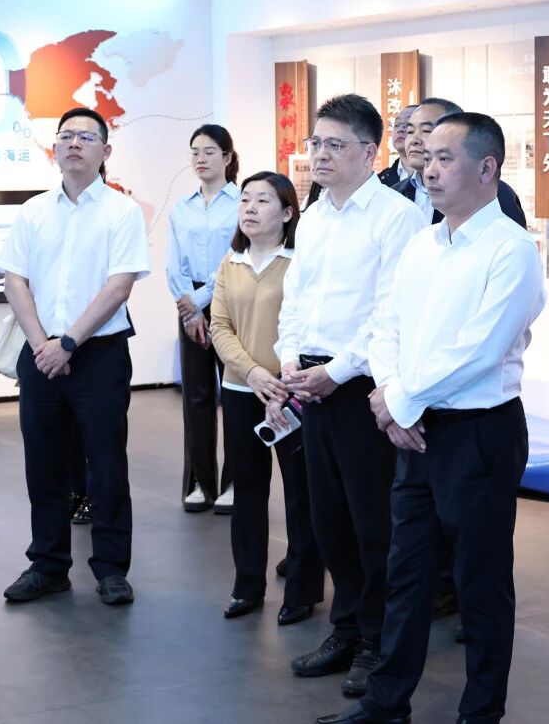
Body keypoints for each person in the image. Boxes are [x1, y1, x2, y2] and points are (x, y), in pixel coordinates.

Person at [317, 112, 545, 724]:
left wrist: (397, 401)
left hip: (478, 432)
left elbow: (479, 351)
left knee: (481, 582)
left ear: (487, 168)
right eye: (427, 157)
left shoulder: (512, 250)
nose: (428, 168)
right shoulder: (423, 243)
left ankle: (481, 711)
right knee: (406, 574)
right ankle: (386, 703)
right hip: (415, 430)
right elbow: (386, 324)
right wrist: (393, 394)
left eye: (445, 158)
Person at [269, 94, 426, 697]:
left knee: (373, 523)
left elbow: (389, 312)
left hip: (363, 384)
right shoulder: (313, 217)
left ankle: (378, 642)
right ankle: (347, 626)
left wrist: (337, 371)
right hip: (310, 382)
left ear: (370, 152)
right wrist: (289, 357)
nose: (321, 155)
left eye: (335, 145)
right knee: (328, 518)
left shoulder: (395, 217)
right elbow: (297, 299)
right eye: (316, 143)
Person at [0, 106, 150, 606]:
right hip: (40, 353)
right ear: (55, 149)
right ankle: (47, 566)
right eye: (66, 136)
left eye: (86, 137)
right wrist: (43, 343)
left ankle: (110, 568)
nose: (74, 144)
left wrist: (68, 343)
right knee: (43, 464)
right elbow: (14, 280)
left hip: (98, 355)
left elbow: (119, 285)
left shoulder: (122, 211)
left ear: (106, 151)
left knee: (106, 465)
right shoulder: (33, 211)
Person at [209, 171, 325, 626]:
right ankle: (246, 587)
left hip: (291, 394)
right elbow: (220, 327)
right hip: (242, 390)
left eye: (262, 200)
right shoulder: (230, 262)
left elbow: (306, 325)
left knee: (301, 495)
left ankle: (302, 591)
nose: (250, 208)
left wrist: (279, 382)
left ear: (288, 212)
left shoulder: (300, 261)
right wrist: (253, 372)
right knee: (248, 492)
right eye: (245, 200)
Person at [167, 125, 241, 514]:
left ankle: (234, 481)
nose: (200, 158)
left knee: (236, 394)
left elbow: (235, 258)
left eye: (209, 151)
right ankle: (199, 480)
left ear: (227, 157)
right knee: (196, 395)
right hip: (189, 306)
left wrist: (199, 301)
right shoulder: (182, 207)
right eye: (195, 151)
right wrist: (189, 307)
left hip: (233, 300)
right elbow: (173, 264)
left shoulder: (243, 201)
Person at [397, 98, 527, 227]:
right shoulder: (397, 192)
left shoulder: (497, 194)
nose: (414, 140)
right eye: (410, 131)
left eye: (426, 130)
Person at [377, 105, 418, 187]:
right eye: (397, 125)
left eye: (408, 124)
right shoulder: (380, 181)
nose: (400, 129)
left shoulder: (437, 176)